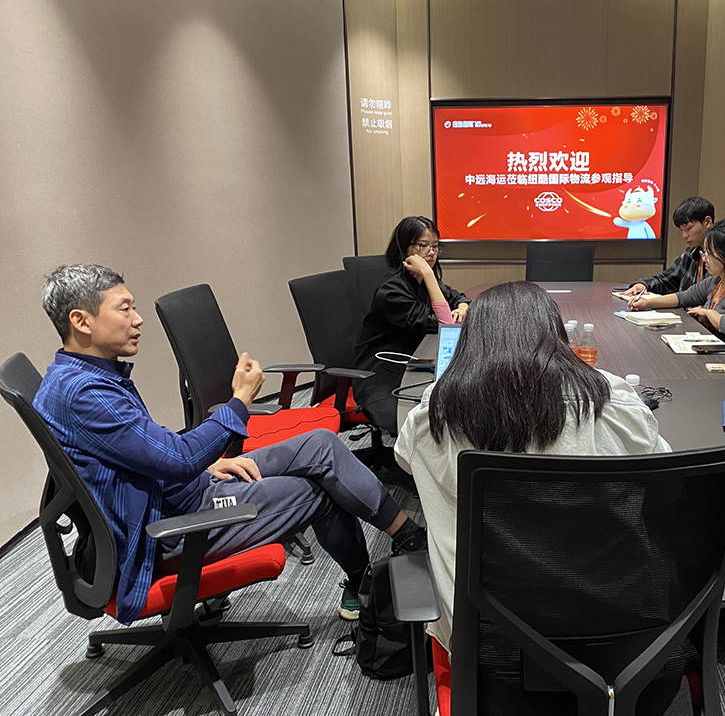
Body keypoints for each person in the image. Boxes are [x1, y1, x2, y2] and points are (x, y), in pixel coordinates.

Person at [33, 264, 425, 625]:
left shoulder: (79, 377)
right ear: (81, 321)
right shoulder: (86, 394)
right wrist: (240, 400)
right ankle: (364, 584)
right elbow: (178, 458)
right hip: (164, 531)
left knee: (321, 444)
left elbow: (143, 448)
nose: (137, 319)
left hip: (174, 492)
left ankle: (408, 536)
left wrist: (204, 465)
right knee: (317, 493)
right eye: (124, 309)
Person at [394, 281, 670, 654]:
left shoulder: (434, 419)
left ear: (469, 344)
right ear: (558, 337)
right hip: (616, 624)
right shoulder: (614, 406)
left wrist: (446, 387)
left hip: (488, 637)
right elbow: (662, 469)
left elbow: (405, 459)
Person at [352, 216, 470, 434]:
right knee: (428, 421)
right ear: (404, 248)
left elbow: (458, 298)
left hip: (414, 362)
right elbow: (444, 323)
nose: (431, 253)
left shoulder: (422, 281)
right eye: (423, 246)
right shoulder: (392, 291)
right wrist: (428, 274)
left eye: (435, 246)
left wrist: (462, 307)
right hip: (383, 374)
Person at [628, 219, 725, 363]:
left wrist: (708, 313)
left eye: (709, 254)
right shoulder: (716, 281)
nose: (704, 259)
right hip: (713, 351)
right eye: (704, 253)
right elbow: (683, 297)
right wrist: (648, 303)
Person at [618, 195, 715, 296]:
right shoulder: (690, 253)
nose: (684, 236)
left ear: (707, 222)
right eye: (681, 230)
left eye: (688, 228)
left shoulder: (720, 256)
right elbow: (667, 279)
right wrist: (643, 285)